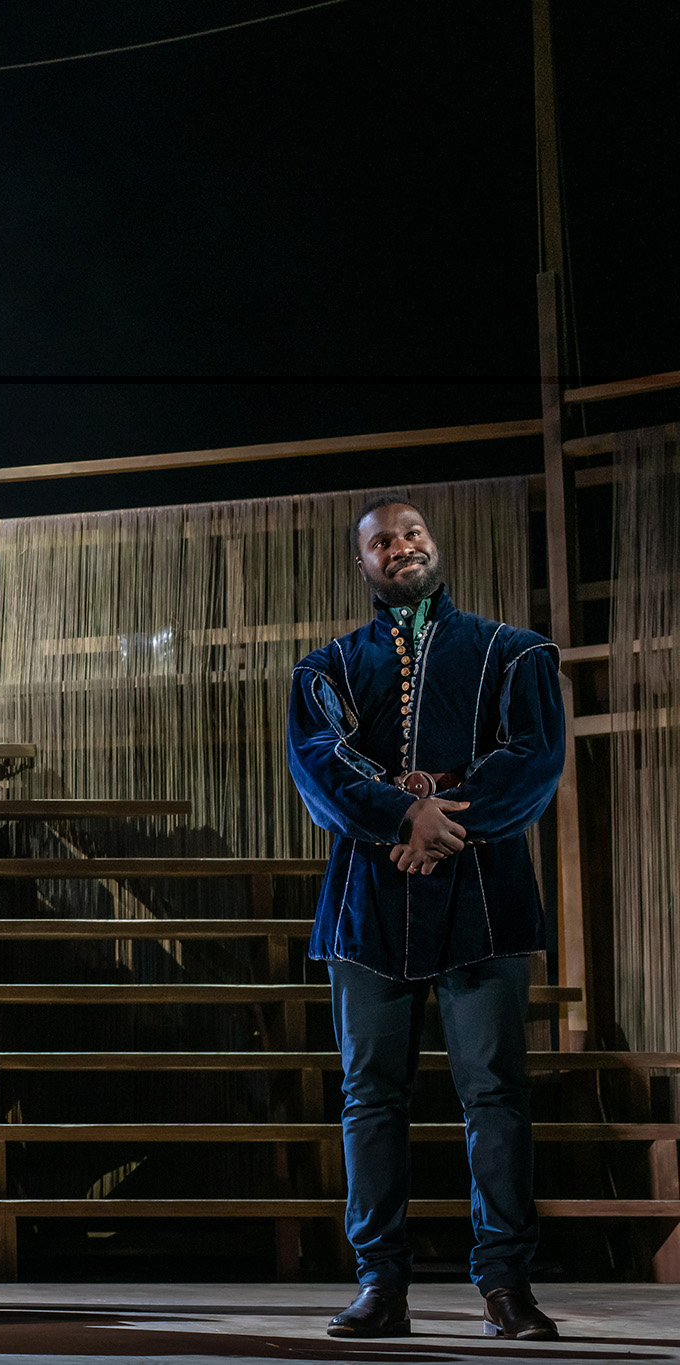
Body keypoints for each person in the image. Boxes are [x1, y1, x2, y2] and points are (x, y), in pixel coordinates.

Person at [287, 498, 565, 1342]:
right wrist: (399, 817)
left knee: (497, 1094)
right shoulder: (326, 668)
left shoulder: (514, 652)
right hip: (370, 904)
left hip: (483, 898)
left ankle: (506, 1286)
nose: (400, 547)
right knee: (372, 1098)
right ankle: (381, 1283)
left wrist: (441, 822)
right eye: (381, 540)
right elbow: (320, 763)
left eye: (410, 534)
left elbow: (534, 755)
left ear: (432, 545)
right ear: (362, 561)